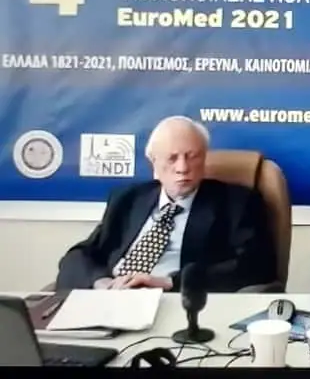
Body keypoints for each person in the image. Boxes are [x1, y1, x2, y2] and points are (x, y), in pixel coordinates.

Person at [55, 115, 277, 292]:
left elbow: (255, 265)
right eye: (172, 158)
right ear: (153, 162)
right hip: (111, 296)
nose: (183, 168)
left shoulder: (235, 202)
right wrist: (100, 282)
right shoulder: (129, 199)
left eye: (192, 156)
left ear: (204, 158)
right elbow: (78, 255)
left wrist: (169, 282)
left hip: (174, 301)